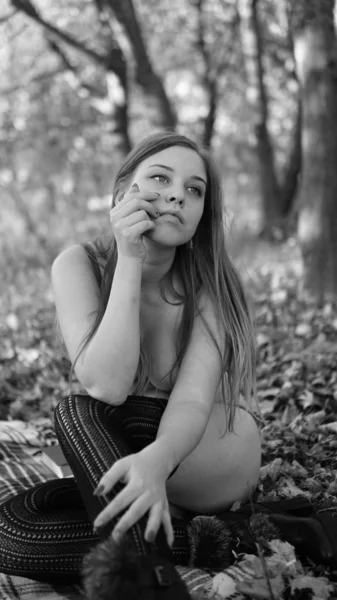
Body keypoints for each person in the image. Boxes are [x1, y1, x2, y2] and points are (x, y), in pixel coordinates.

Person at [0, 132, 261, 584]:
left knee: (76, 411)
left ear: (201, 214)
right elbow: (109, 381)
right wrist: (130, 258)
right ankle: (199, 540)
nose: (177, 194)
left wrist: (159, 459)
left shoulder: (211, 285)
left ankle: (148, 584)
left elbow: (192, 402)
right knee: (14, 531)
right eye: (160, 178)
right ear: (122, 193)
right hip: (131, 455)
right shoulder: (77, 264)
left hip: (210, 451)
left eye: (194, 190)